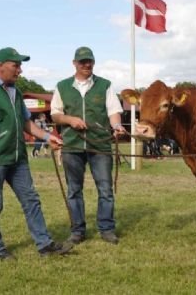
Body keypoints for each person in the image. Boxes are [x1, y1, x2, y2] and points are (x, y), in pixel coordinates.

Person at [0, 47, 73, 260]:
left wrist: (46, 137)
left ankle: (45, 245)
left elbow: (26, 123)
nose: (20, 70)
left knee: (31, 200)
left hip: (17, 160)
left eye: (20, 65)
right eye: (16, 65)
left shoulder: (15, 91)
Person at [51, 46, 125, 245]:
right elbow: (55, 114)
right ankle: (77, 231)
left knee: (106, 189)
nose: (86, 64)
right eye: (82, 61)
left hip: (99, 145)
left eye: (89, 61)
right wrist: (69, 119)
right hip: (72, 145)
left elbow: (113, 111)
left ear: (93, 62)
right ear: (74, 63)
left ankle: (107, 229)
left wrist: (117, 125)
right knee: (74, 190)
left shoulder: (105, 85)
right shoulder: (62, 86)